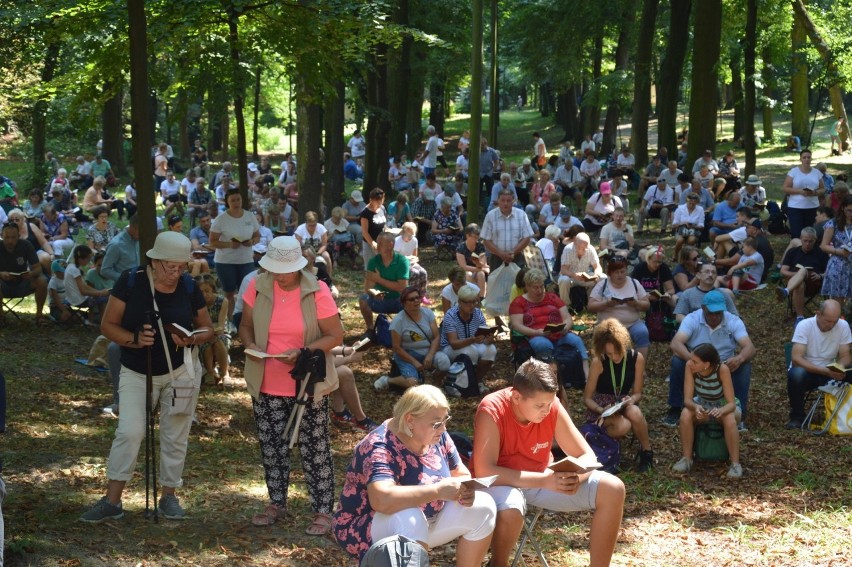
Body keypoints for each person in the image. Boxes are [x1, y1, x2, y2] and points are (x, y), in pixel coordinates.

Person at [79, 232, 215, 523]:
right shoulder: (131, 281)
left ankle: (169, 497)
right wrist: (135, 339)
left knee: (175, 435)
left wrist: (191, 340)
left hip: (181, 372)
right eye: (170, 267)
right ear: (155, 261)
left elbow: (207, 328)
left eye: (181, 267)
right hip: (136, 370)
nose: (176, 273)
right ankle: (112, 500)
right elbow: (108, 326)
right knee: (130, 432)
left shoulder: (189, 285)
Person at [472, 358, 625, 567]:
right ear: (516, 397)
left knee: (613, 488)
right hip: (503, 484)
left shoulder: (552, 406)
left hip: (542, 479)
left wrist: (574, 477)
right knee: (511, 508)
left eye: (550, 403)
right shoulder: (492, 409)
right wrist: (544, 480)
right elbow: (483, 472)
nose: (546, 410)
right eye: (539, 405)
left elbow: (587, 456)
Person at [238, 235, 343, 534]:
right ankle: (277, 502)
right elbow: (245, 326)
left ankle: (323, 510)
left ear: (300, 266)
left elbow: (335, 335)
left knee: (315, 447)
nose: (282, 275)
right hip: (267, 379)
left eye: (287, 269)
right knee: (272, 446)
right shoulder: (256, 286)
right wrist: (250, 346)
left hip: (306, 381)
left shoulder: (317, 290)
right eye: (276, 269)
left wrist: (304, 352)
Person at [334, 385, 496, 565]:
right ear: (410, 420)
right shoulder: (379, 446)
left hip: (426, 520)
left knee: (485, 506)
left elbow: (460, 472)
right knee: (410, 516)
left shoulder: (435, 434)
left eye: (445, 420)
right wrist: (436, 491)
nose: (443, 429)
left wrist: (466, 489)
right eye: (436, 423)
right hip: (368, 528)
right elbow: (381, 499)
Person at [664, 290, 755, 429]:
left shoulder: (733, 320)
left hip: (723, 365)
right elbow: (676, 343)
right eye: (710, 313)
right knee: (677, 361)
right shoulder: (692, 319)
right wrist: (694, 362)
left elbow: (749, 347)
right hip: (697, 361)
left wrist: (739, 358)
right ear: (703, 309)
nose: (714, 317)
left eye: (718, 313)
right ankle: (676, 408)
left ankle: (739, 413)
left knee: (744, 365)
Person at [583, 319, 653, 472]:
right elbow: (587, 398)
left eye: (617, 352)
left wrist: (631, 400)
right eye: (609, 353)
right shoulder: (599, 361)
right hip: (602, 405)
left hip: (622, 402)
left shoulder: (636, 358)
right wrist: (601, 409)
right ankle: (607, 450)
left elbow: (638, 393)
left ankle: (646, 452)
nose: (614, 357)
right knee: (624, 425)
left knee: (635, 412)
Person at [671, 343, 743, 478]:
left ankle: (735, 464)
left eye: (695, 361)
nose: (690, 363)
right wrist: (696, 407)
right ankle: (687, 458)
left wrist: (721, 411)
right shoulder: (689, 368)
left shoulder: (722, 369)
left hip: (722, 405)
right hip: (702, 403)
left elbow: (731, 404)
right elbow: (687, 400)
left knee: (729, 418)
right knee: (685, 414)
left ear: (706, 364)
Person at [509, 268, 589, 376]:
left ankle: (586, 374)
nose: (540, 290)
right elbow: (516, 325)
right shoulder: (519, 302)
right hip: (535, 335)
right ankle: (551, 378)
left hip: (559, 333)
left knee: (576, 340)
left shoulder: (552, 297)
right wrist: (536, 332)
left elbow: (567, 317)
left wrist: (566, 327)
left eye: (541, 286)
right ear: (527, 287)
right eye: (535, 287)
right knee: (543, 345)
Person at [786, 300, 852, 429]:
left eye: (835, 321)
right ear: (818, 314)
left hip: (830, 371)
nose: (831, 325)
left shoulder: (842, 325)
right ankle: (797, 416)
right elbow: (796, 359)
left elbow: (845, 356)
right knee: (796, 374)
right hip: (808, 371)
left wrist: (840, 367)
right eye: (828, 321)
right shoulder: (805, 325)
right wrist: (825, 371)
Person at [379, 286, 450, 391]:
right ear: (404, 303)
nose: (416, 301)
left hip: (428, 351)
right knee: (413, 383)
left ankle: (435, 384)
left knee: (445, 363)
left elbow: (436, 337)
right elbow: (396, 348)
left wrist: (430, 355)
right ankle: (388, 380)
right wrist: (414, 362)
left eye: (418, 297)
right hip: (407, 354)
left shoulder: (427, 313)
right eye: (412, 299)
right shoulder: (398, 321)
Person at [208, 188, 261, 322]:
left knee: (249, 291)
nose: (236, 203)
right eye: (233, 200)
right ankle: (231, 322)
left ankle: (248, 320)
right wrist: (229, 245)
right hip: (225, 261)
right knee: (229, 293)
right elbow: (212, 242)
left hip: (246, 260)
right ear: (227, 202)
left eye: (238, 199)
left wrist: (252, 241)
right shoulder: (221, 219)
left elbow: (257, 235)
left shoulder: (250, 216)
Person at [587, 258, 651, 362]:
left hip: (632, 323)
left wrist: (636, 303)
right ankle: (609, 364)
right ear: (610, 273)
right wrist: (606, 303)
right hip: (608, 324)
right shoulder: (602, 285)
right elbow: (590, 306)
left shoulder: (634, 283)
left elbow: (646, 304)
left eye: (623, 271)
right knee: (609, 338)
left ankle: (640, 365)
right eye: (616, 272)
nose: (620, 275)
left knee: (642, 332)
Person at [359, 232, 409, 337]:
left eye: (380, 243)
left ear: (390, 245)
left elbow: (402, 287)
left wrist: (379, 279)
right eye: (377, 242)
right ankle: (370, 330)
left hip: (399, 301)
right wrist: (374, 294)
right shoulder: (373, 261)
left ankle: (408, 330)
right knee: (363, 299)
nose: (377, 245)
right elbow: (368, 288)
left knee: (411, 299)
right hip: (379, 301)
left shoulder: (402, 261)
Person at [776, 227, 830, 323]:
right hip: (795, 284)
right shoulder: (792, 252)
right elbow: (783, 271)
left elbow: (829, 272)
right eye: (805, 241)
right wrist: (798, 274)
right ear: (800, 238)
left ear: (815, 240)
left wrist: (820, 276)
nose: (807, 244)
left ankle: (786, 291)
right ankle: (799, 318)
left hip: (813, 283)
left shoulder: (821, 253)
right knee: (800, 282)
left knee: (803, 270)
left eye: (811, 241)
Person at [0, 221, 49, 324]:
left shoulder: (26, 245)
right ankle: (1, 316)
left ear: (19, 236)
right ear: (1, 235)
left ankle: (39, 315)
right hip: (3, 285)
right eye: (7, 237)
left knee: (42, 280)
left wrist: (31, 273)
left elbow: (38, 268)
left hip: (23, 282)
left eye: (13, 237)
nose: (10, 241)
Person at [481, 188, 534, 271]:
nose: (505, 203)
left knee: (517, 283)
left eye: (508, 201)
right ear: (498, 201)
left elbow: (527, 237)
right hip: (496, 258)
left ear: (513, 201)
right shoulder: (490, 216)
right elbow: (486, 240)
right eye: (503, 200)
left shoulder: (521, 215)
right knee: (496, 283)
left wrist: (514, 252)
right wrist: (501, 254)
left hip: (517, 257)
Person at [195, 274, 230, 386]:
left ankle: (225, 373)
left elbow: (221, 325)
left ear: (213, 289)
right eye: (201, 292)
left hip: (220, 332)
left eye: (207, 291)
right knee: (206, 343)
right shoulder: (195, 304)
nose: (204, 295)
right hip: (202, 333)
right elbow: (196, 325)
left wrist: (212, 332)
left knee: (218, 340)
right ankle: (210, 372)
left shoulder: (222, 301)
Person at [673, 262, 738, 323]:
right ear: (698, 275)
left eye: (713, 272)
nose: (710, 275)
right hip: (694, 330)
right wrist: (696, 324)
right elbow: (679, 317)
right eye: (707, 272)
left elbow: (735, 317)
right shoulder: (688, 294)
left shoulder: (723, 295)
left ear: (716, 276)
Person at [782, 149, 825, 239]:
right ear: (800, 159)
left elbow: (823, 189)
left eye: (808, 157)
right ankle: (796, 250)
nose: (806, 159)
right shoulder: (793, 172)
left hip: (812, 207)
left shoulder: (817, 173)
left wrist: (814, 192)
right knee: (796, 233)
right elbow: (785, 188)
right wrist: (800, 191)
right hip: (795, 207)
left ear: (811, 159)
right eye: (804, 157)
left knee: (810, 233)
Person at [819, 196, 852, 308]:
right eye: (849, 210)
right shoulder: (833, 223)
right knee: (838, 299)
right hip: (839, 264)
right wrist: (839, 251)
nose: (851, 213)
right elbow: (823, 246)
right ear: (843, 208)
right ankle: (835, 320)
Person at [64, 244, 111, 325]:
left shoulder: (70, 267)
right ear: (81, 259)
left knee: (97, 297)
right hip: (78, 300)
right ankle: (104, 323)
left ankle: (90, 321)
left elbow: (84, 286)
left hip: (71, 298)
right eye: (88, 259)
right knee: (102, 299)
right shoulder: (75, 271)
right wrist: (100, 293)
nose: (89, 261)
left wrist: (97, 292)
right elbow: (83, 291)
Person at [557, 232, 604, 312]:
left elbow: (597, 267)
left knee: (603, 278)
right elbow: (563, 270)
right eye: (582, 247)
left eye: (586, 247)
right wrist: (574, 275)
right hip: (571, 277)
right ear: (575, 244)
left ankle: (593, 304)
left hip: (585, 278)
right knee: (563, 280)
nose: (585, 250)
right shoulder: (568, 249)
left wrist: (596, 275)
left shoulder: (591, 249)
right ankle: (566, 307)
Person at [5, 208, 53, 274]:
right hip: (20, 257)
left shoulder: (31, 226)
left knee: (45, 258)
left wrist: (51, 253)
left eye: (17, 219)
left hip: (36, 252)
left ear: (22, 220)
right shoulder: (9, 232)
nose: (14, 222)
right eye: (11, 220)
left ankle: (51, 276)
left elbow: (43, 242)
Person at [395, 222, 429, 303]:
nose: (410, 238)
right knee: (414, 273)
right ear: (403, 233)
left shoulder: (414, 240)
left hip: (411, 262)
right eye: (409, 235)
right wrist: (406, 259)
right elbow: (395, 258)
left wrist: (414, 260)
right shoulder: (397, 241)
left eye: (412, 235)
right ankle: (410, 295)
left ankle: (422, 295)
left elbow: (415, 255)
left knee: (423, 272)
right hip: (400, 264)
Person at [294, 211, 333, 277]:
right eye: (310, 225)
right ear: (306, 223)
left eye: (314, 225)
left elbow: (324, 245)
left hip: (318, 251)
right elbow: (297, 246)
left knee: (327, 256)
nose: (312, 227)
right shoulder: (300, 229)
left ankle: (329, 276)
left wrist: (318, 253)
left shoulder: (321, 228)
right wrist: (306, 254)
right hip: (304, 252)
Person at [456, 223, 488, 294]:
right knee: (469, 274)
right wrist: (479, 268)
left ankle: (482, 297)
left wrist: (478, 263)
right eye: (474, 237)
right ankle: (470, 296)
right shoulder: (460, 248)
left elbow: (483, 264)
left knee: (481, 274)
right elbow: (463, 266)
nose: (476, 240)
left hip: (477, 270)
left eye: (477, 237)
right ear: (467, 236)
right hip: (465, 271)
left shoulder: (480, 246)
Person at [359, 188, 387, 266]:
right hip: (370, 244)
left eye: (381, 201)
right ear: (371, 200)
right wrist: (373, 244)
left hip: (382, 242)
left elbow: (384, 224)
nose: (380, 203)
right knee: (370, 268)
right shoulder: (365, 213)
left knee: (382, 267)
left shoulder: (382, 208)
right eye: (377, 201)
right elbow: (364, 232)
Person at [672, 193, 704, 259]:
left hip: (693, 230)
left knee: (691, 240)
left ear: (697, 203)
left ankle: (686, 255)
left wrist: (693, 226)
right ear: (687, 201)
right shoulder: (680, 208)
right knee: (680, 240)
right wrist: (683, 224)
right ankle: (675, 254)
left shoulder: (700, 209)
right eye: (690, 203)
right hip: (681, 230)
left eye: (694, 204)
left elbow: (701, 225)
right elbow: (674, 225)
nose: (692, 205)